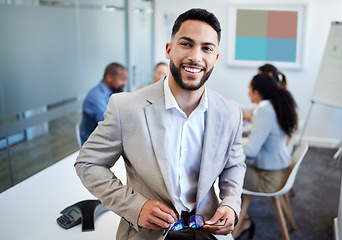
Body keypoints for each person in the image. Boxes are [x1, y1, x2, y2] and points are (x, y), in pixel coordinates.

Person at [75, 8, 246, 240]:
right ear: (169, 50)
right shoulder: (125, 106)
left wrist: (231, 203)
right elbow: (88, 163)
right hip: (147, 233)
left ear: (215, 57)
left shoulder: (230, 112)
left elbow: (234, 165)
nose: (196, 57)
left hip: (206, 230)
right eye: (186, 44)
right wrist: (133, 206)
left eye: (207, 48)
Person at [235, 74, 298, 239]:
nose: (248, 94)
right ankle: (239, 216)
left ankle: (241, 220)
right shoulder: (275, 105)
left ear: (256, 92)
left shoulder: (264, 109)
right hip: (280, 171)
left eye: (249, 90)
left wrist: (232, 145)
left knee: (222, 171)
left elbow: (251, 151)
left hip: (269, 180)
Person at [79, 62, 128, 145]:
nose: (125, 83)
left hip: (108, 137)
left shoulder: (114, 91)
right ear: (109, 77)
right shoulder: (96, 97)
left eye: (126, 80)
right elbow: (111, 125)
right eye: (122, 79)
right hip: (94, 144)